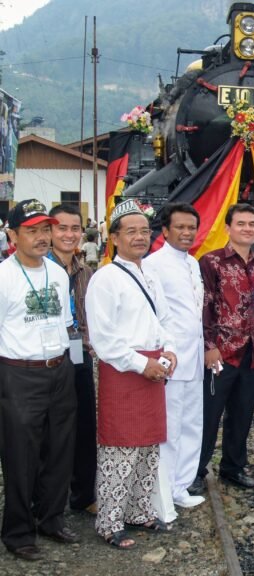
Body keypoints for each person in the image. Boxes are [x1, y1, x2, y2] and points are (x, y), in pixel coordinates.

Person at [85, 199, 177, 549]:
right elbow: (103, 338)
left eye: (144, 231)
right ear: (114, 238)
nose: (140, 237)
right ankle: (109, 522)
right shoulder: (105, 279)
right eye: (131, 232)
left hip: (154, 367)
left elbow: (163, 320)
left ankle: (139, 511)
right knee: (119, 446)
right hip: (124, 370)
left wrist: (169, 350)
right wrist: (142, 364)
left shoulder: (150, 275)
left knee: (148, 447)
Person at [0, 199, 78, 561]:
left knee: (60, 448)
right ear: (13, 236)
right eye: (32, 231)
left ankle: (51, 518)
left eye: (46, 229)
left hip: (58, 369)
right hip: (20, 374)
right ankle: (17, 532)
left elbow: (65, 323)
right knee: (21, 455)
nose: (42, 237)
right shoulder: (4, 277)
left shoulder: (58, 274)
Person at [189, 203, 254, 495]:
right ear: (228, 228)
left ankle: (233, 467)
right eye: (241, 223)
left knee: (242, 413)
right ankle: (196, 470)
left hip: (253, 352)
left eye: (252, 224)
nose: (247, 229)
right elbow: (204, 306)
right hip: (221, 352)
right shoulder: (212, 262)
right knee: (209, 413)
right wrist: (209, 346)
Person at [143, 203, 206, 510]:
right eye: (180, 227)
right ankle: (163, 492)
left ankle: (181, 486)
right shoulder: (153, 265)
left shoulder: (192, 263)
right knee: (169, 427)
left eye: (191, 228)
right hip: (172, 358)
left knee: (192, 425)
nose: (186, 233)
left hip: (195, 357)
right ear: (165, 231)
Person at [47, 204, 97, 515]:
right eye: (61, 228)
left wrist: (90, 343)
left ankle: (84, 495)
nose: (69, 234)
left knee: (84, 426)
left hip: (79, 354)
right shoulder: (39, 268)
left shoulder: (86, 272)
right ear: (50, 231)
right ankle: (46, 499)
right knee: (49, 429)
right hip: (47, 358)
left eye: (74, 228)